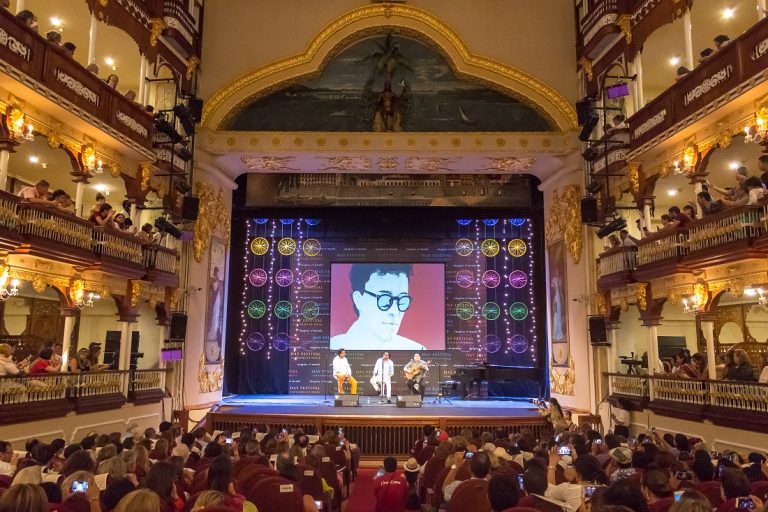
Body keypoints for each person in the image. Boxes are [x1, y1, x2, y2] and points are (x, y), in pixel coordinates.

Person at [330, 263, 425, 350]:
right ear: (358, 300)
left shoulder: (417, 351)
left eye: (402, 300)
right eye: (384, 299)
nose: (395, 312)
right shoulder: (334, 347)